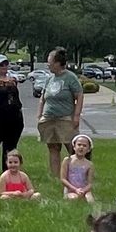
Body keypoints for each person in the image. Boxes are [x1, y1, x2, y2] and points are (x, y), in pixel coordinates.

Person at [36, 47, 85, 187]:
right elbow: (42, 98)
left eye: (50, 61)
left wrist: (76, 116)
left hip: (65, 118)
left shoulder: (70, 77)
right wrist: (40, 115)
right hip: (49, 118)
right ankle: (56, 177)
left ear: (58, 63)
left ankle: (77, 175)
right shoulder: (49, 79)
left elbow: (79, 96)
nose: (48, 64)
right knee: (53, 147)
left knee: (72, 147)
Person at [61, 132, 96, 201]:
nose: (81, 147)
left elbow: (90, 183)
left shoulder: (89, 164)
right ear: (74, 147)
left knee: (90, 199)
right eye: (79, 145)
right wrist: (75, 189)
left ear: (88, 149)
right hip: (70, 189)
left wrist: (83, 190)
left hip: (83, 190)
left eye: (84, 146)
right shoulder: (67, 160)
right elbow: (63, 179)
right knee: (74, 198)